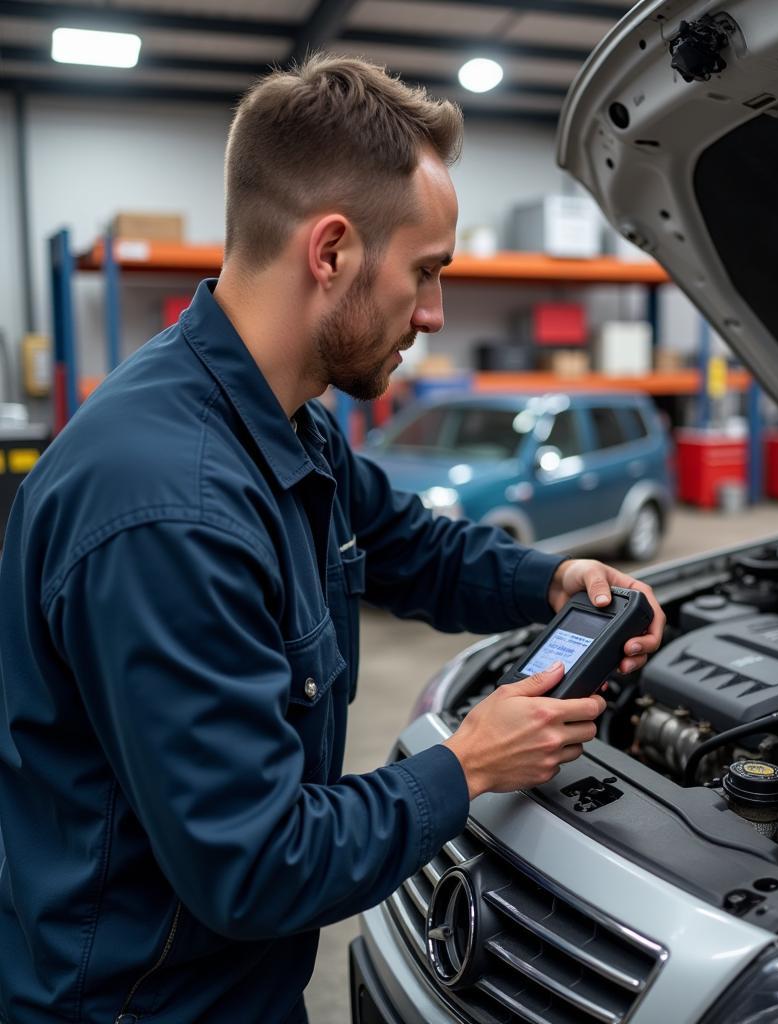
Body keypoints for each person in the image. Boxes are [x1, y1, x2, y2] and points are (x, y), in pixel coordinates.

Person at [0, 54, 665, 1024]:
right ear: (332, 252)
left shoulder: (285, 417)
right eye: (426, 272)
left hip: (233, 982)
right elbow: (258, 863)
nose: (432, 315)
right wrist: (469, 762)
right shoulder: (167, 511)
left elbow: (408, 546)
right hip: (142, 1005)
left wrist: (551, 577)